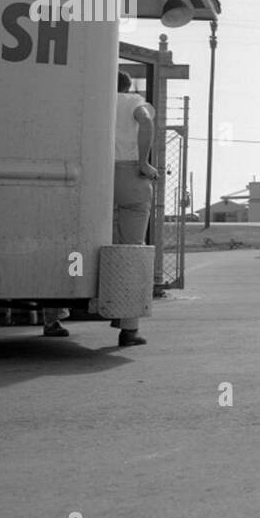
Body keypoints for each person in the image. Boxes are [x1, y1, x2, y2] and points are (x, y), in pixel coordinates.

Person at [112, 70, 156, 345]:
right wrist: (143, 162)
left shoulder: (92, 96)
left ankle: (53, 318)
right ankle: (128, 327)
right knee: (131, 247)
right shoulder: (131, 100)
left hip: (93, 171)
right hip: (127, 173)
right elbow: (146, 120)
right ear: (128, 86)